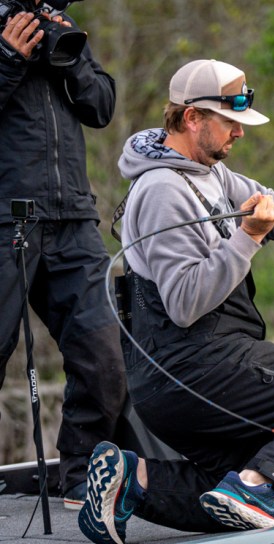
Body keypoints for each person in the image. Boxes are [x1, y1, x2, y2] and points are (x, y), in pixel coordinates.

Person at [77, 59, 274, 544]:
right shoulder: (161, 191)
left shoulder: (210, 173)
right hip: (193, 368)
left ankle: (133, 481)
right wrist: (249, 236)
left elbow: (268, 204)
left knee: (231, 489)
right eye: (230, 122)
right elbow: (184, 303)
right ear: (191, 118)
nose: (239, 133)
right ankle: (262, 492)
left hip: (185, 373)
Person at [0, 1, 125, 509]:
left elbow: (101, 107)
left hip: (73, 217)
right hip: (6, 218)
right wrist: (8, 57)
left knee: (106, 353)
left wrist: (70, 54)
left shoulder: (57, 23)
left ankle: (81, 478)